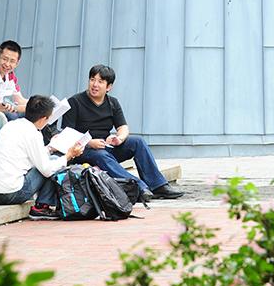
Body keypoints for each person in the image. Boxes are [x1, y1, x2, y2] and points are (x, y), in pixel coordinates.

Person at [61, 64, 184, 199]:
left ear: (108, 87)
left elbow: (123, 127)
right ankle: (138, 187)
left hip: (105, 146)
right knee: (101, 155)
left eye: (100, 81)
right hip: (83, 150)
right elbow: (67, 134)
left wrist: (119, 138)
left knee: (137, 141)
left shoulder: (113, 102)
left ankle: (158, 186)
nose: (95, 84)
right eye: (92, 79)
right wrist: (90, 143)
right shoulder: (75, 102)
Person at [0, 95, 84, 220]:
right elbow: (46, 170)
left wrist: (50, 148)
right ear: (43, 119)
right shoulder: (33, 134)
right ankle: (42, 206)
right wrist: (69, 156)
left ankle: (43, 204)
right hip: (10, 193)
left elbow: (32, 155)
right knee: (54, 161)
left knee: (50, 159)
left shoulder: (11, 126)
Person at [0, 40, 28, 120]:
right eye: (5, 59)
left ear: (17, 63)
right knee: (13, 116)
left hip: (7, 108)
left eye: (12, 61)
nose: (7, 64)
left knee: (39, 113)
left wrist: (37, 104)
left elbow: (19, 99)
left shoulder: (10, 75)